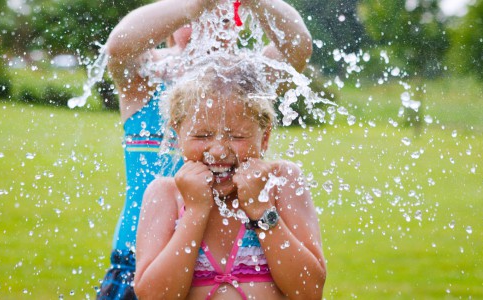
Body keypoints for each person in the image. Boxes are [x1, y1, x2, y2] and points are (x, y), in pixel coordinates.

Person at [98, 0, 313, 298]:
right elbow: (120, 46)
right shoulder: (149, 78)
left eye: (222, 19)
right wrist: (198, 4)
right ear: (170, 26)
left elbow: (298, 48)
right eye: (196, 18)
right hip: (142, 265)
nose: (209, 28)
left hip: (238, 260)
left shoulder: (246, 84)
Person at [134, 57, 326, 299]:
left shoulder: (281, 183)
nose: (218, 151)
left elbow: (309, 290)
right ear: (177, 134)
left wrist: (260, 208)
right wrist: (195, 211)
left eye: (236, 136)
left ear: (264, 137)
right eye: (202, 135)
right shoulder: (165, 195)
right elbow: (154, 296)